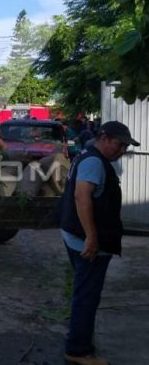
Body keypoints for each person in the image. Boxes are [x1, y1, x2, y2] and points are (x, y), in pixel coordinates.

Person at [59, 121, 138, 365]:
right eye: (119, 144)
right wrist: (92, 238)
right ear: (104, 138)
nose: (122, 151)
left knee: (84, 292)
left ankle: (78, 340)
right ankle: (78, 350)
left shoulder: (87, 155)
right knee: (87, 296)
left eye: (125, 147)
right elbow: (81, 197)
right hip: (87, 243)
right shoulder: (94, 162)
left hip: (76, 236)